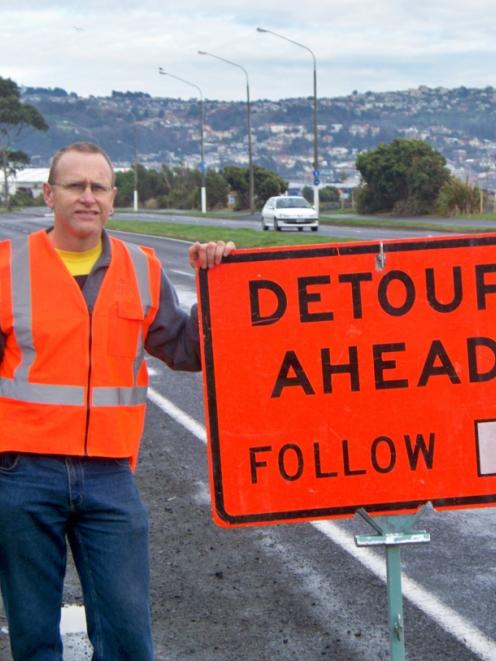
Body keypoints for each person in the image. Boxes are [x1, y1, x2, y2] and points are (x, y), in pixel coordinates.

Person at [0, 142, 234, 660]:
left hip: (109, 474)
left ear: (112, 199)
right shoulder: (6, 267)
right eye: (75, 185)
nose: (87, 196)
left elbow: (185, 348)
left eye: (98, 187)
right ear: (49, 194)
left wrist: (219, 281)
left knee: (128, 639)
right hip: (22, 473)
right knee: (34, 637)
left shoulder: (142, 267)